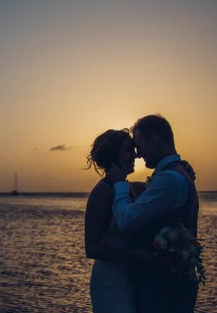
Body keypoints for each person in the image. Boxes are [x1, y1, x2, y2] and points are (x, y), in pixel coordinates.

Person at [108, 114, 199, 313]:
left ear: (155, 140)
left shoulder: (169, 180)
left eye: (139, 146)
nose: (138, 154)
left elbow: (126, 219)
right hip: (172, 284)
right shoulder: (174, 175)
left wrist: (118, 184)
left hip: (165, 289)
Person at [84, 129, 153, 313]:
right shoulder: (102, 192)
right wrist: (134, 255)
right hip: (109, 281)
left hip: (129, 277)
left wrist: (182, 167)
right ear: (114, 153)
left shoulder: (130, 188)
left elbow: (158, 185)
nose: (135, 156)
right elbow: (91, 248)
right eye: (129, 150)